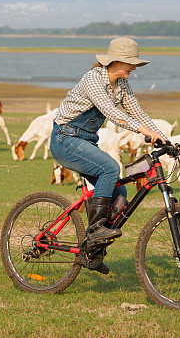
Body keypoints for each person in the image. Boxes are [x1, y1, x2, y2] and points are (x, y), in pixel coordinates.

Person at [50, 37, 168, 274]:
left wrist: (165, 139)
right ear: (116, 61)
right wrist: (141, 130)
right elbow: (111, 113)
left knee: (120, 192)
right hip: (65, 139)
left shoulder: (122, 86)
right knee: (110, 168)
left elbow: (137, 112)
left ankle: (91, 254)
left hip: (85, 142)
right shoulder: (93, 80)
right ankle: (94, 232)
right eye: (130, 63)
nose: (133, 68)